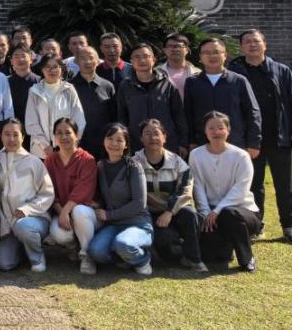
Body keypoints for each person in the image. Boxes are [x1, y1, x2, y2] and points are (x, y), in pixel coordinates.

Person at [228, 29, 292, 245]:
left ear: (265, 45)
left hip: (279, 136)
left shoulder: (281, 70)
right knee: (253, 184)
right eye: (247, 42)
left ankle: (290, 226)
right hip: (249, 139)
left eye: (256, 41)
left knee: (285, 185)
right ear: (241, 47)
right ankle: (256, 225)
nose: (252, 45)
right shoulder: (234, 71)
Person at [189, 111, 262, 272]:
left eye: (220, 128)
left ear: (228, 130)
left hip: (241, 211)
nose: (216, 132)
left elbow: (241, 189)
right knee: (214, 256)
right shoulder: (196, 155)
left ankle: (247, 259)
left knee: (230, 214)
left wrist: (218, 210)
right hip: (211, 213)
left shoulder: (241, 156)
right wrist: (205, 212)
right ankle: (227, 246)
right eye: (211, 128)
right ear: (205, 131)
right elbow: (197, 185)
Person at [136, 118, 207, 271]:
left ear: (164, 137)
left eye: (157, 133)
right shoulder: (134, 163)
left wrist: (169, 211)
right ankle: (170, 253)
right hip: (150, 213)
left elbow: (185, 190)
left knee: (191, 214)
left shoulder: (177, 162)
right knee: (164, 240)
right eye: (147, 134)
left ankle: (194, 259)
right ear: (141, 138)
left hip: (175, 210)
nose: (153, 137)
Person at [88, 123, 154, 276]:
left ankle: (142, 260)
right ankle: (124, 257)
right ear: (104, 141)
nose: (114, 143)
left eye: (119, 140)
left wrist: (109, 215)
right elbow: (105, 197)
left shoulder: (133, 166)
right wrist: (97, 204)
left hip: (138, 224)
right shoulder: (100, 166)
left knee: (123, 244)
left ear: (126, 145)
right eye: (110, 138)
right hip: (113, 226)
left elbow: (139, 203)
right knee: (95, 252)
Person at [0, 118, 55, 273]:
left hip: (34, 220)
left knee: (23, 226)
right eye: (7, 134)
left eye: (15, 134)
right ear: (1, 136)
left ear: (23, 137)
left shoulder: (34, 162)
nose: (11, 139)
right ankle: (23, 250)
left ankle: (37, 257)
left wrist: (27, 210)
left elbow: (47, 194)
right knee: (3, 264)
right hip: (7, 225)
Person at [185, 38, 261, 154]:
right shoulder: (192, 82)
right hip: (202, 143)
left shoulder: (238, 81)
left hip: (235, 143)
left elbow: (252, 112)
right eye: (207, 53)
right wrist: (192, 141)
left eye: (216, 52)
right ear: (200, 57)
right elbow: (188, 114)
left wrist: (253, 142)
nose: (212, 56)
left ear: (225, 55)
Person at [44, 117, 99, 275]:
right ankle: (74, 247)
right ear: (54, 137)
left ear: (77, 135)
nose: (64, 137)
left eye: (68, 132)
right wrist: (62, 212)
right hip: (62, 211)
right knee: (60, 235)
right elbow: (49, 191)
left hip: (86, 213)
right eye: (59, 133)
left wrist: (65, 211)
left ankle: (87, 255)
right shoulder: (50, 160)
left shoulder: (87, 160)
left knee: (79, 211)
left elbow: (83, 191)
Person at [116, 43, 187, 156]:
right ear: (131, 61)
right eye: (137, 57)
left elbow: (178, 115)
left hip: (166, 144)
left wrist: (183, 142)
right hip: (136, 144)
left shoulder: (167, 84)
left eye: (145, 56)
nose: (142, 60)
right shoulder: (125, 86)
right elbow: (122, 117)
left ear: (153, 60)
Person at [25, 54, 86, 160]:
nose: (51, 70)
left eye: (55, 67)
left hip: (67, 149)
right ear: (42, 69)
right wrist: (45, 146)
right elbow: (31, 122)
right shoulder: (34, 91)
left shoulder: (69, 89)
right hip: (41, 151)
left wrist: (71, 142)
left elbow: (79, 119)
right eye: (47, 67)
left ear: (61, 69)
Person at [69, 46, 115, 160]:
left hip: (104, 144)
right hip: (77, 143)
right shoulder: (69, 87)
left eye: (91, 57)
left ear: (98, 61)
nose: (87, 61)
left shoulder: (107, 86)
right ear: (76, 61)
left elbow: (114, 116)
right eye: (83, 58)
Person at [6, 44, 40, 153]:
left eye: (23, 56)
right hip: (12, 133)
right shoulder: (5, 82)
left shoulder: (40, 82)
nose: (20, 59)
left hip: (35, 133)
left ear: (31, 59)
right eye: (16, 56)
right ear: (11, 61)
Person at [157, 32, 200, 100]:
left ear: (187, 50)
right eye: (170, 46)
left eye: (179, 46)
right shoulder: (155, 72)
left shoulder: (198, 73)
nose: (174, 49)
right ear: (164, 50)